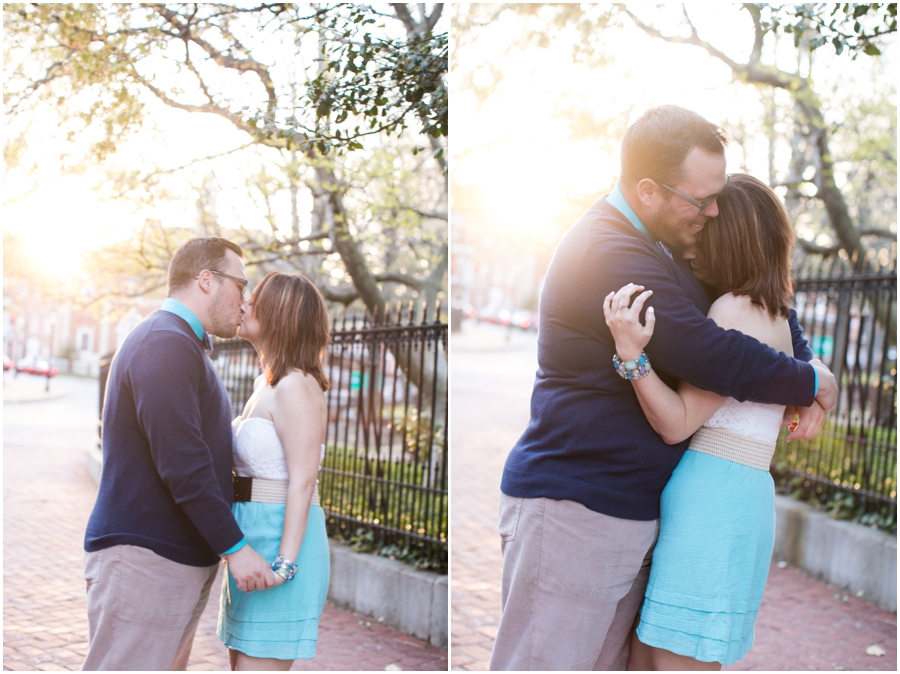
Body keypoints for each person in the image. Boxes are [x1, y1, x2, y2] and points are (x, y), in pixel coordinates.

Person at [489, 106, 838, 671]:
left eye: (717, 195)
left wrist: (811, 362)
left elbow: (749, 298)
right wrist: (813, 381)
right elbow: (711, 350)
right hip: (577, 502)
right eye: (700, 201)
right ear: (648, 190)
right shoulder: (609, 249)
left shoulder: (662, 244)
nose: (713, 210)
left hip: (631, 509)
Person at [604, 174, 810, 670]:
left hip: (713, 505)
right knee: (671, 655)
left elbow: (676, 423)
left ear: (733, 241)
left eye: (707, 231)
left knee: (663, 660)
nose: (693, 241)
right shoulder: (778, 314)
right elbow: (810, 376)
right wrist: (821, 387)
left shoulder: (732, 309)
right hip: (740, 499)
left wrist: (631, 356)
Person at [83, 237, 276, 671]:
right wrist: (235, 548)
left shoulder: (178, 343)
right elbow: (183, 463)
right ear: (206, 280)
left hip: (166, 559)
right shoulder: (164, 343)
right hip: (145, 559)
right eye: (240, 284)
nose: (244, 299)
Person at [218, 271, 331, 671]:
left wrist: (285, 563)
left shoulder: (296, 385)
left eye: (256, 299)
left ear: (281, 315)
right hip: (251, 535)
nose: (244, 303)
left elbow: (303, 481)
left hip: (281, 543)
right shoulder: (266, 383)